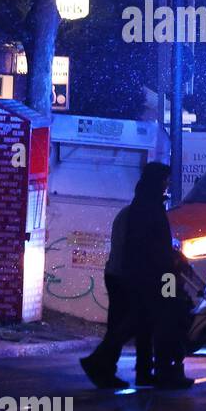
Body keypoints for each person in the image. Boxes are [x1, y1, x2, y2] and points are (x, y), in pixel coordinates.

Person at [78, 162, 193, 390]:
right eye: (165, 181)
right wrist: (168, 272)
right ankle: (105, 363)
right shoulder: (148, 208)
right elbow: (150, 247)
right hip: (153, 277)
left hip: (149, 275)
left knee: (144, 322)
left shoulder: (143, 205)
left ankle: (143, 371)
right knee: (148, 320)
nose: (166, 185)